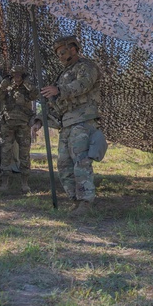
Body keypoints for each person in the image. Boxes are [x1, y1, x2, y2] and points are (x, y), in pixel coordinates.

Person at [36, 35, 103, 216]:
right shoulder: (63, 74)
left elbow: (84, 84)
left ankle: (85, 202)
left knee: (81, 162)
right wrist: (40, 117)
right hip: (67, 123)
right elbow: (58, 104)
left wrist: (59, 90)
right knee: (64, 164)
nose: (60, 56)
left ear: (73, 49)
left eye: (62, 52)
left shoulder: (86, 67)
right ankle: (75, 199)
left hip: (82, 121)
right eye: (57, 53)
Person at [0, 64, 39, 193]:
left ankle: (25, 183)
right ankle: (4, 183)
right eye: (14, 74)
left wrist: (28, 83)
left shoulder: (27, 88)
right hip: (8, 124)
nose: (17, 77)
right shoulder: (7, 88)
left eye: (20, 74)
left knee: (24, 153)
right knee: (6, 152)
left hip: (23, 125)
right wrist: (3, 85)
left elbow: (36, 95)